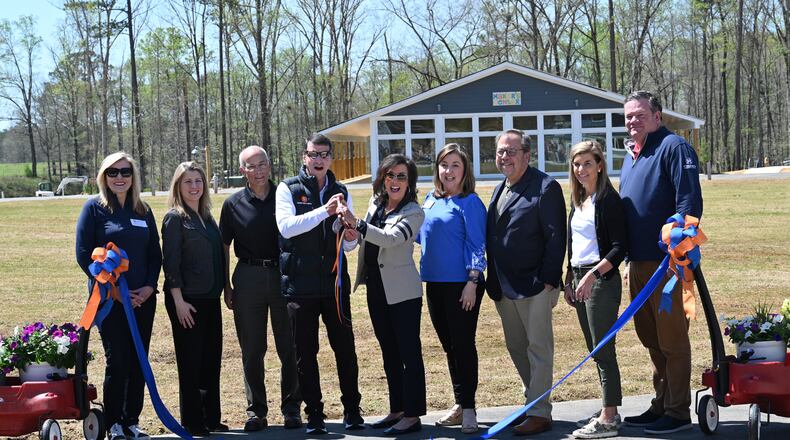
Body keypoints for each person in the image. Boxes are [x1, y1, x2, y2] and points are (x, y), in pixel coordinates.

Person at [619, 91, 703, 435]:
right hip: (637, 264)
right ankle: (661, 402)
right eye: (628, 116)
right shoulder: (632, 155)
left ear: (658, 115)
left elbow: (689, 201)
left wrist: (678, 252)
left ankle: (678, 411)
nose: (632, 121)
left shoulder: (674, 148)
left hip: (667, 264)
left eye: (639, 115)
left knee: (672, 340)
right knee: (650, 339)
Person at [275, 133, 363, 434]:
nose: (319, 160)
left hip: (334, 285)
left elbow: (347, 244)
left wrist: (352, 237)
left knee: (345, 350)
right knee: (305, 353)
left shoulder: (341, 190)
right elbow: (287, 228)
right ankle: (314, 415)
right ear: (304, 157)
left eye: (324, 154)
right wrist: (323, 211)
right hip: (300, 286)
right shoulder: (288, 188)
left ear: (331, 159)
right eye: (313, 154)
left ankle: (352, 410)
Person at [75, 152, 162, 440]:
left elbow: (154, 254)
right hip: (110, 301)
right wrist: (114, 290)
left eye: (125, 172)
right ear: (104, 177)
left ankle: (131, 421)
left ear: (133, 176)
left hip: (142, 301)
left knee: (139, 359)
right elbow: (83, 255)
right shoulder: (94, 209)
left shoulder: (143, 210)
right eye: (113, 172)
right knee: (118, 360)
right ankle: (112, 423)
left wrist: (149, 288)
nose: (120, 177)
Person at [485, 129, 566, 436]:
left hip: (535, 284)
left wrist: (548, 279)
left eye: (511, 151)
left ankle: (540, 412)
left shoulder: (545, 187)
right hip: (504, 287)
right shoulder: (499, 189)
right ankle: (533, 400)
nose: (504, 157)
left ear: (527, 155)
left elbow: (556, 237)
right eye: (500, 151)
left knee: (539, 348)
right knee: (517, 346)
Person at [342, 154, 426, 436]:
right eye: (390, 175)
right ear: (382, 178)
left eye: (402, 176)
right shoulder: (375, 204)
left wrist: (360, 225)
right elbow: (363, 236)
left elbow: (391, 240)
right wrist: (351, 228)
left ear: (410, 182)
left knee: (408, 354)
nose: (395, 181)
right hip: (376, 289)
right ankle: (397, 408)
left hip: (403, 293)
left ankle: (412, 415)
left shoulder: (414, 211)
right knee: (389, 352)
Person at [219, 146, 302, 431]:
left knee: (289, 346)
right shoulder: (232, 204)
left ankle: (292, 408)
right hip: (248, 277)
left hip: (283, 276)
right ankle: (256, 411)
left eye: (262, 163)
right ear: (242, 171)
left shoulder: (285, 196)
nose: (259, 170)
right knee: (252, 349)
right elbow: (224, 246)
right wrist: (226, 285)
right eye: (251, 166)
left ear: (269, 164)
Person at [417, 143, 487, 434]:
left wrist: (472, 282)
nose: (448, 171)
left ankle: (469, 408)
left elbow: (477, 244)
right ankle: (459, 404)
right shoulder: (430, 200)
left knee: (462, 345)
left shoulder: (470, 202)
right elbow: (420, 237)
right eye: (444, 165)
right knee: (449, 348)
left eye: (455, 165)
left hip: (463, 285)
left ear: (465, 170)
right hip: (434, 284)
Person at [562, 141, 627, 439]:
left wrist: (591, 275)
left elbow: (618, 247)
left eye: (587, 163)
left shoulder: (608, 200)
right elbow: (574, 244)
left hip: (601, 280)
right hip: (579, 278)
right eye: (577, 164)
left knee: (603, 349)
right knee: (594, 350)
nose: (581, 170)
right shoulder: (579, 201)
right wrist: (569, 278)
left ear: (600, 165)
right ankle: (607, 408)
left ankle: (609, 417)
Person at [161, 162, 226, 436]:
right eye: (188, 181)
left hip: (210, 298)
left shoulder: (207, 216)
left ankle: (211, 417)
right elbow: (171, 263)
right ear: (178, 185)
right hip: (186, 300)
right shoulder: (175, 218)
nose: (194, 186)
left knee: (211, 359)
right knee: (191, 362)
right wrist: (178, 300)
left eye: (198, 180)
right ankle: (193, 420)